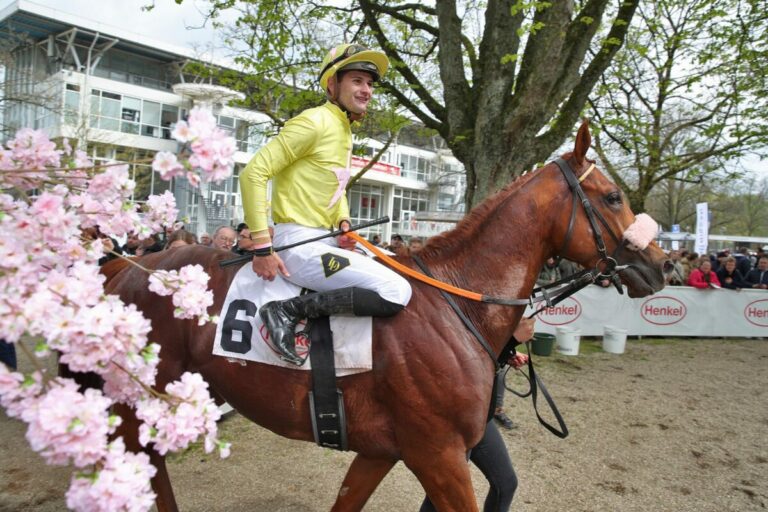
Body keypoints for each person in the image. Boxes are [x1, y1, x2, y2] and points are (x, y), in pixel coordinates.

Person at [239, 43, 412, 365]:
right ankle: (284, 311)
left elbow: (336, 187)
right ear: (333, 84)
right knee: (395, 291)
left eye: (370, 84)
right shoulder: (314, 121)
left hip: (325, 239)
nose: (366, 90)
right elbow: (254, 172)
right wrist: (262, 246)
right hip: (298, 245)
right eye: (357, 81)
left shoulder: (343, 130)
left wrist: (343, 223)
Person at [420, 318, 535, 512]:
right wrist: (512, 341)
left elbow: (477, 346)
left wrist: (506, 352)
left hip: (479, 416)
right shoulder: (450, 301)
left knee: (505, 484)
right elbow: (457, 358)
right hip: (454, 416)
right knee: (444, 494)